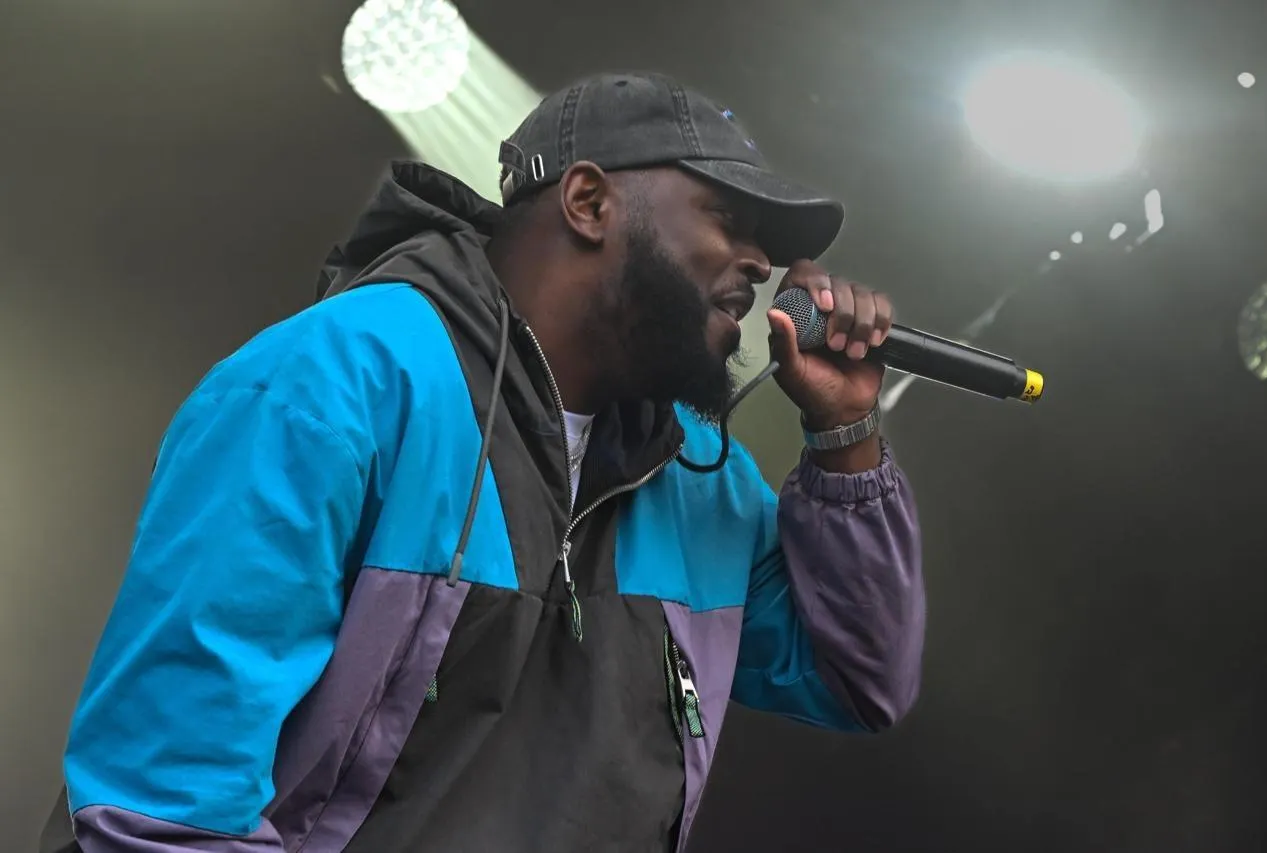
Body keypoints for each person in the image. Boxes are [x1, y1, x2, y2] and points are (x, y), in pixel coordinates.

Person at [40, 72, 925, 853]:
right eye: (730, 218)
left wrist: (844, 433)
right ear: (588, 202)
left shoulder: (699, 470)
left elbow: (859, 681)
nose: (765, 262)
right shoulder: (334, 382)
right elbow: (168, 808)